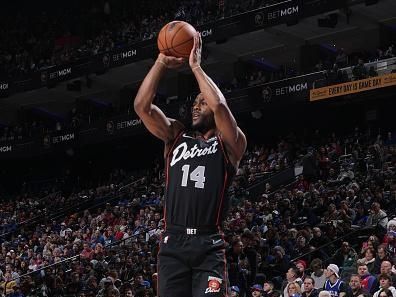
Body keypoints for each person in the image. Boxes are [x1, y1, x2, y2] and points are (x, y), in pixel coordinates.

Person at [134, 32, 247, 297]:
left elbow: (219, 105)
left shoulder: (231, 143)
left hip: (208, 244)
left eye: (202, 102)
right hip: (173, 243)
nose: (196, 107)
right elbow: (142, 107)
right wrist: (161, 62)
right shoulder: (175, 136)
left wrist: (195, 66)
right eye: (194, 103)